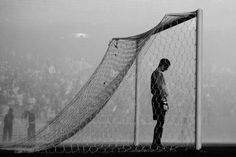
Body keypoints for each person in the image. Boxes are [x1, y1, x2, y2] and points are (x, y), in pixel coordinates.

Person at [151, 58, 171, 148]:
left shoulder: (160, 74)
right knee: (160, 122)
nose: (166, 69)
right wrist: (164, 101)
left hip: (160, 99)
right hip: (158, 99)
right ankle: (155, 143)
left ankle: (157, 142)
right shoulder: (156, 74)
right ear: (163, 65)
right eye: (166, 67)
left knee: (161, 122)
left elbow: (163, 88)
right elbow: (159, 88)